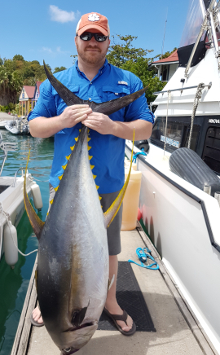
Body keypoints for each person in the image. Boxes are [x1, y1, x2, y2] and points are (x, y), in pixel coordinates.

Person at [29, 12, 154, 335]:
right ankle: (48, 300)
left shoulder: (129, 81)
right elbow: (34, 127)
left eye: (99, 36)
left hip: (109, 181)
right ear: (76, 41)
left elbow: (146, 127)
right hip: (65, 185)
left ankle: (109, 301)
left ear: (108, 41)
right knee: (53, 250)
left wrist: (113, 126)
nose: (93, 42)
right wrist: (61, 121)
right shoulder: (55, 83)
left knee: (107, 249)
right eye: (86, 36)